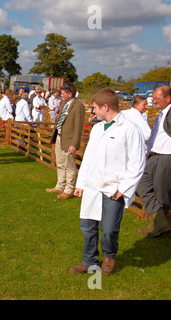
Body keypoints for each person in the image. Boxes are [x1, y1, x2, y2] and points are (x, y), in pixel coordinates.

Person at [68, 89, 146, 276]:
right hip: (93, 185)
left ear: (106, 106)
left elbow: (137, 162)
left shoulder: (130, 129)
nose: (93, 112)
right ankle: (88, 261)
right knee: (88, 226)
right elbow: (89, 158)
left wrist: (124, 187)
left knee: (109, 229)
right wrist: (81, 183)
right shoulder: (97, 129)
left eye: (95, 108)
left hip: (114, 188)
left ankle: (109, 256)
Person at [136, 86, 171, 237]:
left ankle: (157, 225)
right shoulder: (163, 113)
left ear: (168, 98)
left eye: (157, 98)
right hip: (154, 156)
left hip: (165, 157)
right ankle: (160, 221)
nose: (154, 101)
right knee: (141, 182)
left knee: (161, 193)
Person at [46, 83, 85, 200]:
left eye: (63, 93)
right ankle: (60, 185)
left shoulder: (78, 106)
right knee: (60, 163)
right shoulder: (64, 103)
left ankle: (69, 189)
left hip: (69, 140)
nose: (61, 95)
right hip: (59, 136)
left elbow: (78, 127)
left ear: (70, 94)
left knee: (69, 165)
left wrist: (74, 144)